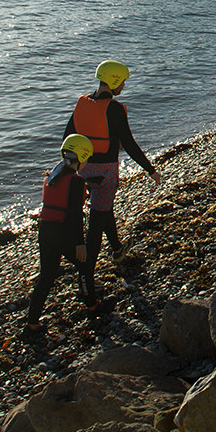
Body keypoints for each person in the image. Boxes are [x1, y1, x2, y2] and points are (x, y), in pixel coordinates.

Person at [64, 60, 162, 276]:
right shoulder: (114, 109)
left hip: (83, 171)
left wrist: (67, 169)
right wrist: (150, 170)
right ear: (114, 80)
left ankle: (117, 249)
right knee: (96, 225)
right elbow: (129, 143)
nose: (124, 86)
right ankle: (86, 275)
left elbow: (67, 139)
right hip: (106, 173)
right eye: (123, 82)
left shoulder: (81, 103)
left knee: (104, 208)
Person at [24, 134, 101, 339]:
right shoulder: (76, 182)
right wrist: (80, 243)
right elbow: (76, 214)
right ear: (83, 157)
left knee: (47, 277)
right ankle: (92, 306)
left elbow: (60, 197)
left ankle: (31, 325)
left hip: (45, 231)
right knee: (84, 266)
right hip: (63, 232)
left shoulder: (51, 176)